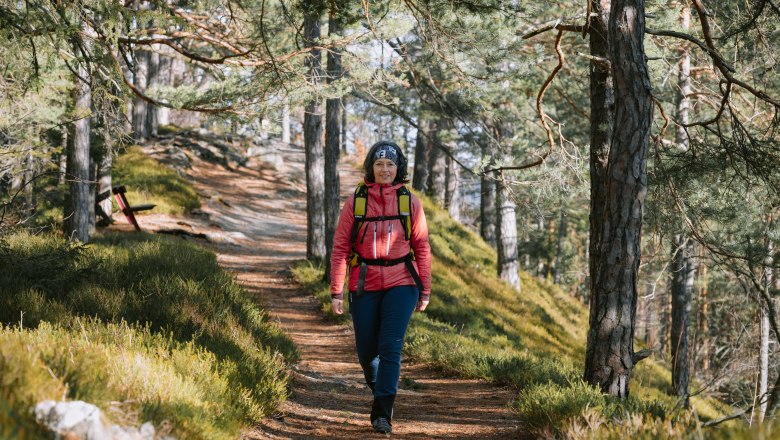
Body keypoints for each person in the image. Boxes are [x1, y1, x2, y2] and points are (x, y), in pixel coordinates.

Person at [330, 140, 432, 434]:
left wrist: (424, 289)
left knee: (391, 347)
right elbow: (340, 248)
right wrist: (336, 290)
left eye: (390, 164)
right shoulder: (356, 202)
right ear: (371, 168)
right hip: (365, 282)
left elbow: (422, 248)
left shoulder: (409, 202)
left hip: (402, 282)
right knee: (366, 353)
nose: (384, 169)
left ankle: (383, 412)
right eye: (379, 164)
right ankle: (381, 392)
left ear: (398, 168)